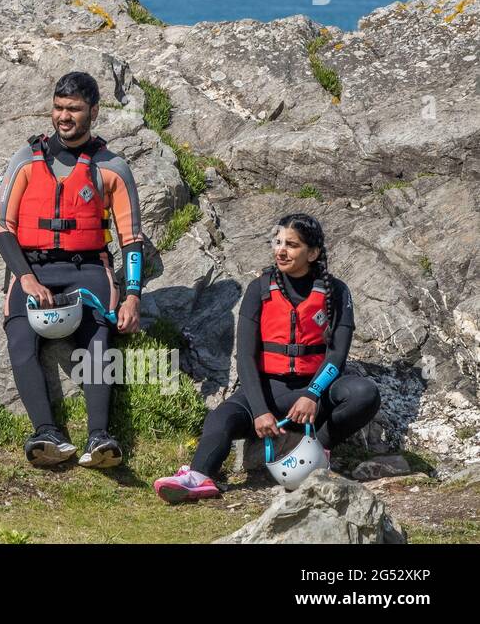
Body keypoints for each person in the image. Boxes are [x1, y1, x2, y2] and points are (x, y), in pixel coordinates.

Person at [153, 213, 381, 502]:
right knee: (220, 418)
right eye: (278, 243)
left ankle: (316, 452)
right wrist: (260, 410)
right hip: (268, 392)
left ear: (313, 253)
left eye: (292, 245)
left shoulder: (336, 291)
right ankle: (198, 477)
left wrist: (313, 393)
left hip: (316, 395)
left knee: (365, 393)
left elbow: (337, 355)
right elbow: (245, 357)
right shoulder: (259, 289)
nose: (281, 251)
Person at [0, 71, 146, 470]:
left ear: (93, 111)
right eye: (58, 108)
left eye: (74, 109)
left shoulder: (112, 167)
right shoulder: (24, 160)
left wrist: (132, 296)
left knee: (98, 336)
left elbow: (131, 240)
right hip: (32, 268)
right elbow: (1, 227)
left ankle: (99, 437)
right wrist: (25, 277)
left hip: (88, 270)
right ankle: (46, 433)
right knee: (21, 340)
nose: (64, 116)